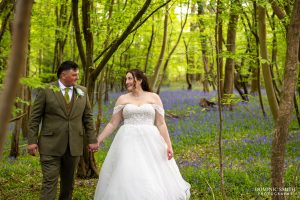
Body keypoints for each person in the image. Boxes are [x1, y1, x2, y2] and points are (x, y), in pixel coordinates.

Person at [94, 69, 190, 200]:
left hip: (151, 141)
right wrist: (98, 140)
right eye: (126, 79)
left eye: (129, 78)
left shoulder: (154, 97)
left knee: (151, 172)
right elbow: (112, 123)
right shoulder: (122, 99)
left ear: (139, 80)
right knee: (127, 170)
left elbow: (161, 123)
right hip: (127, 141)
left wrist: (169, 145)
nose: (126, 81)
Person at [27, 61, 99, 200]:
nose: (77, 77)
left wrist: (92, 140)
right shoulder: (46, 90)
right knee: (49, 183)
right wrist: (31, 141)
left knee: (68, 185)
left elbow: (88, 118)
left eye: (77, 74)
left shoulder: (82, 91)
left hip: (74, 146)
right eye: (74, 75)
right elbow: (35, 118)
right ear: (63, 74)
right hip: (50, 145)